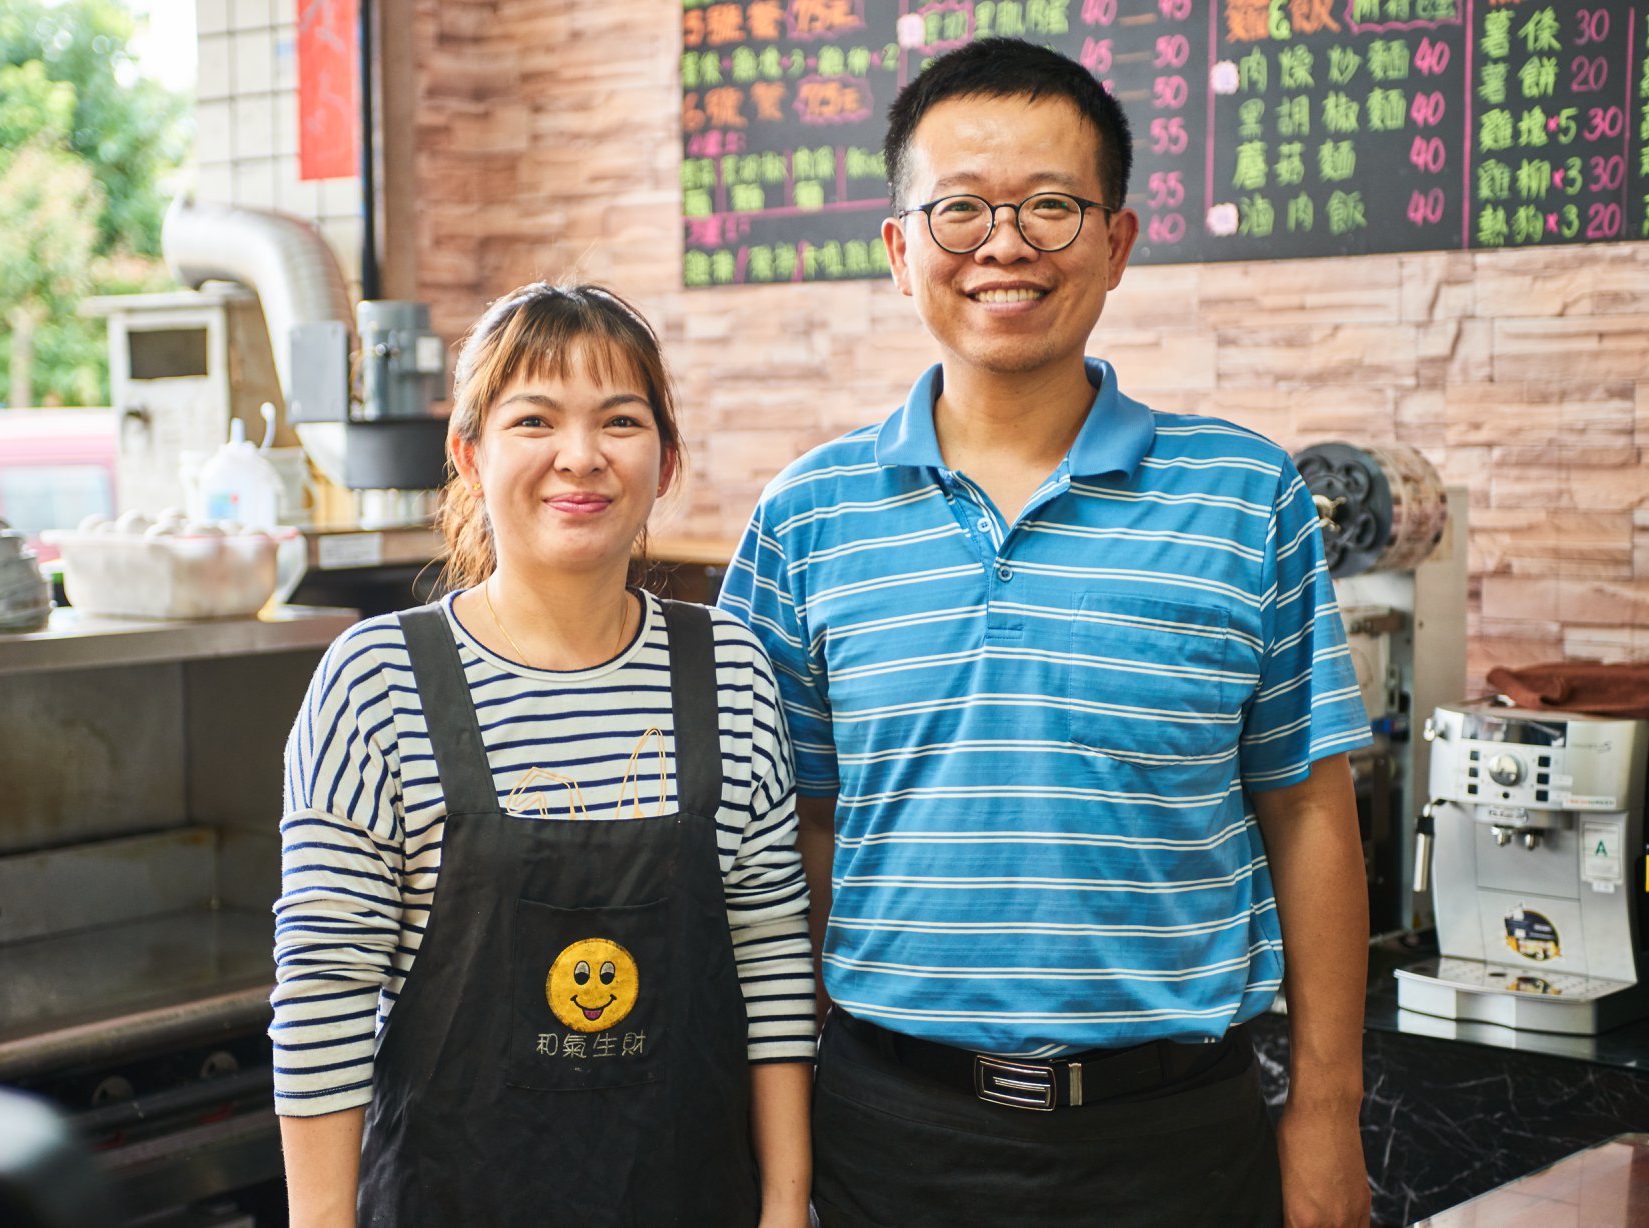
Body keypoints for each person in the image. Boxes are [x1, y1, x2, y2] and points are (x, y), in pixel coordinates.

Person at [718, 39, 1372, 1228]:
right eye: (959, 209)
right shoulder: (805, 518)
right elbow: (781, 842)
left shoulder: (1243, 493)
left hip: (1178, 1138)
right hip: (888, 1134)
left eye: (1051, 207)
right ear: (899, 249)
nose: (1004, 245)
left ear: (1116, 243)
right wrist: (776, 1151)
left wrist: (1325, 1111)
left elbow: (1306, 806)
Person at [271, 281, 817, 1228]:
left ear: (666, 458)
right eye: (534, 419)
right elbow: (323, 987)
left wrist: (784, 1205)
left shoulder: (729, 667)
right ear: (469, 453)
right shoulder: (377, 680)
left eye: (620, 420)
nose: (581, 456)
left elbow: (770, 956)